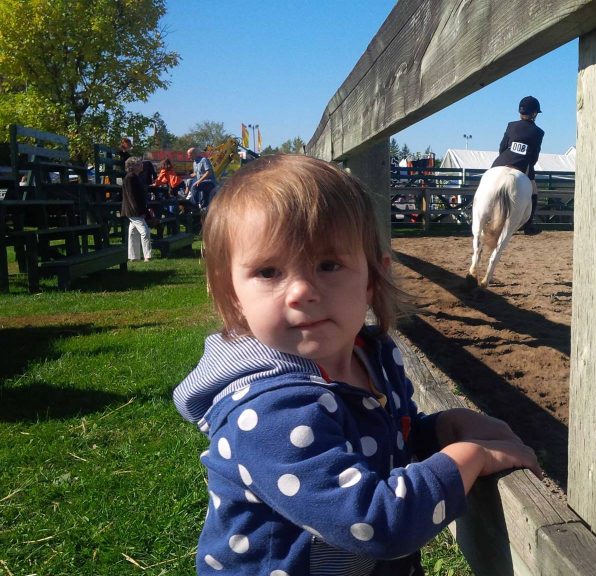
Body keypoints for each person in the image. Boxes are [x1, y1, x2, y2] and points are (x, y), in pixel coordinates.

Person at [172, 154, 540, 575]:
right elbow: (375, 523)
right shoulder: (269, 411)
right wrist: (467, 458)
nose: (301, 292)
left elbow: (380, 446)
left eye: (328, 265)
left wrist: (439, 430)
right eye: (269, 271)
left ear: (371, 278)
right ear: (232, 292)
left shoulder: (371, 357)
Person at [491, 95, 544, 235]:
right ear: (534, 113)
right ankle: (528, 226)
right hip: (522, 165)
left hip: (500, 162)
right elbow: (534, 157)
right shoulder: (538, 132)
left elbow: (502, 147)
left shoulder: (511, 125)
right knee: (534, 190)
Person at [121, 157, 153, 262]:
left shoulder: (135, 177)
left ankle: (133, 257)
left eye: (140, 164)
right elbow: (132, 197)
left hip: (134, 209)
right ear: (132, 166)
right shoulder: (130, 178)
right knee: (145, 232)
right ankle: (147, 256)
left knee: (133, 233)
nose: (141, 166)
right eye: (138, 164)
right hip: (134, 210)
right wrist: (141, 212)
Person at [186, 146, 217, 210]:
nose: (188, 157)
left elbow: (208, 172)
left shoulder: (204, 160)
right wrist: (189, 176)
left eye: (189, 155)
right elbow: (196, 173)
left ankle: (194, 205)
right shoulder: (194, 163)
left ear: (194, 154)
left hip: (209, 182)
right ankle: (201, 208)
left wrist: (199, 181)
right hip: (203, 183)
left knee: (194, 187)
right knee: (190, 182)